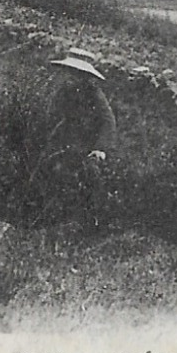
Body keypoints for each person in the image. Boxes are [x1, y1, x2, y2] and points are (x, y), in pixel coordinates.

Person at [21, 48, 119, 224]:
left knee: (90, 180)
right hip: (61, 143)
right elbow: (52, 116)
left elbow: (108, 122)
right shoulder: (62, 91)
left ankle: (90, 221)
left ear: (85, 75)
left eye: (76, 73)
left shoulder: (95, 95)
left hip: (85, 147)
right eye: (69, 72)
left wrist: (100, 148)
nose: (70, 77)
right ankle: (39, 215)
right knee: (41, 172)